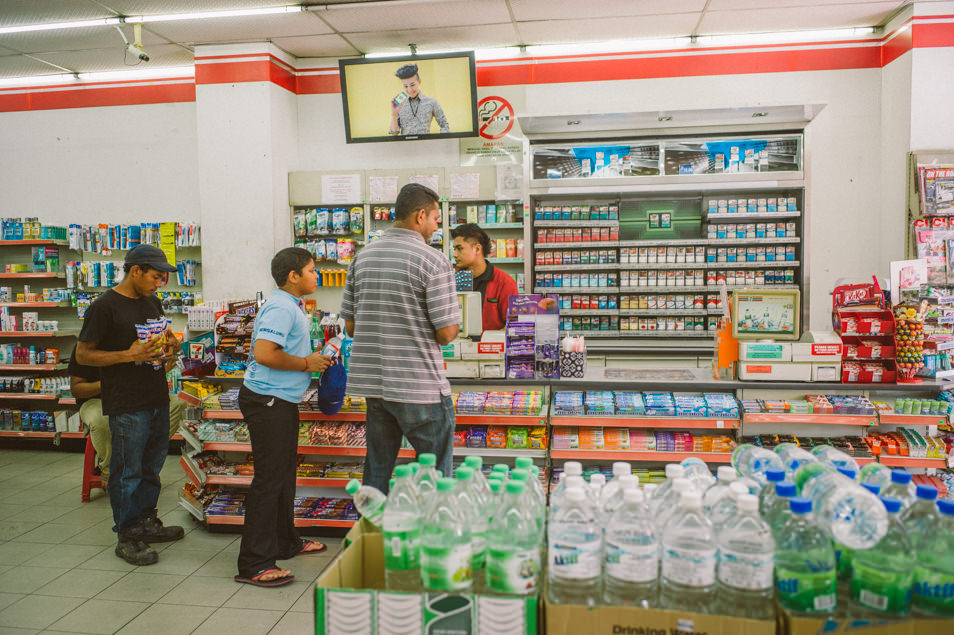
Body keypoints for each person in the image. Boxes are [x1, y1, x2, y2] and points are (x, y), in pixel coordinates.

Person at [341, 183, 461, 493]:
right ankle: (430, 536)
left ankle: (370, 537)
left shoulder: (362, 258)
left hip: (376, 388)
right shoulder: (433, 261)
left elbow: (352, 329)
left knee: (377, 473)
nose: (437, 226)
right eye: (436, 218)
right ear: (421, 215)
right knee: (435, 479)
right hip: (420, 388)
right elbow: (447, 334)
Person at [75, 244, 184, 566]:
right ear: (135, 270)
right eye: (155, 277)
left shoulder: (152, 302)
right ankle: (127, 535)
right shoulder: (104, 307)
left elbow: (157, 342)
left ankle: (147, 521)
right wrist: (129, 355)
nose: (159, 283)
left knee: (151, 467)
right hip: (126, 402)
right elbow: (83, 355)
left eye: (163, 278)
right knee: (128, 472)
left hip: (155, 395)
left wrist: (170, 348)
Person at [234, 247, 334, 588]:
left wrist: (313, 357)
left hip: (280, 400)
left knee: (283, 477)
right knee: (269, 481)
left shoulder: (290, 305)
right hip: (268, 401)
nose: (316, 275)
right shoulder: (280, 306)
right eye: (311, 270)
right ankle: (254, 563)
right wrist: (308, 363)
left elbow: (281, 351)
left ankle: (284, 542)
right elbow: (264, 353)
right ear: (293, 276)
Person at [69, 348, 188, 488]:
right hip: (97, 400)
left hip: (134, 397)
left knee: (177, 403)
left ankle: (142, 461)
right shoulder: (86, 346)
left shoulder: (137, 340)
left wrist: (162, 369)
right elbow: (76, 389)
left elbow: (142, 378)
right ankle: (111, 468)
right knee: (100, 419)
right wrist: (111, 384)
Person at [451, 223, 519, 332]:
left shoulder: (504, 282)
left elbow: (513, 323)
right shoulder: (451, 280)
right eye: (454, 249)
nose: (454, 254)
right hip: (456, 346)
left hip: (490, 347)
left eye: (460, 248)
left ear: (477, 249)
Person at [388, 63, 450, 136]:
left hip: (426, 145)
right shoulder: (399, 103)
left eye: (412, 85)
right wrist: (394, 114)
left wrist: (439, 142)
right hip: (405, 146)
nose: (410, 90)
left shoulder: (432, 102)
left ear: (419, 82)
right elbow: (394, 133)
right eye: (405, 86)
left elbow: (445, 125)